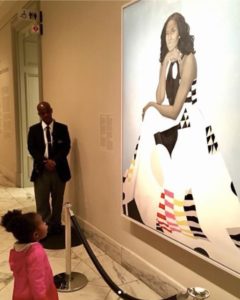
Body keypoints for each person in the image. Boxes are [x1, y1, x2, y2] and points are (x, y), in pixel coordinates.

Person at [122, 12, 239, 264]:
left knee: (153, 116)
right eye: (166, 32)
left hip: (189, 123)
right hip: (174, 120)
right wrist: (164, 64)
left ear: (182, 33)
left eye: (173, 31)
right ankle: (142, 200)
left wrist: (152, 105)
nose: (169, 36)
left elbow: (174, 108)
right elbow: (161, 96)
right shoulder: (170, 59)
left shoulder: (189, 60)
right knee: (151, 118)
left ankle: (169, 212)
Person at [28, 101, 71, 234]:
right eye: (42, 113)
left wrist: (54, 162)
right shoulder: (33, 130)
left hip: (59, 170)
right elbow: (32, 148)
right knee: (42, 202)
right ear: (39, 114)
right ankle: (44, 228)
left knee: (58, 201)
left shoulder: (62, 128)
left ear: (51, 110)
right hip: (41, 171)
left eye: (47, 111)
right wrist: (45, 162)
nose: (45, 114)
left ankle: (56, 225)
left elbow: (66, 147)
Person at [1, 209, 59, 300]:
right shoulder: (36, 252)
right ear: (36, 234)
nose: (46, 224)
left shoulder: (15, 250)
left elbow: (14, 267)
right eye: (43, 223)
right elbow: (37, 282)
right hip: (35, 295)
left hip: (19, 292)